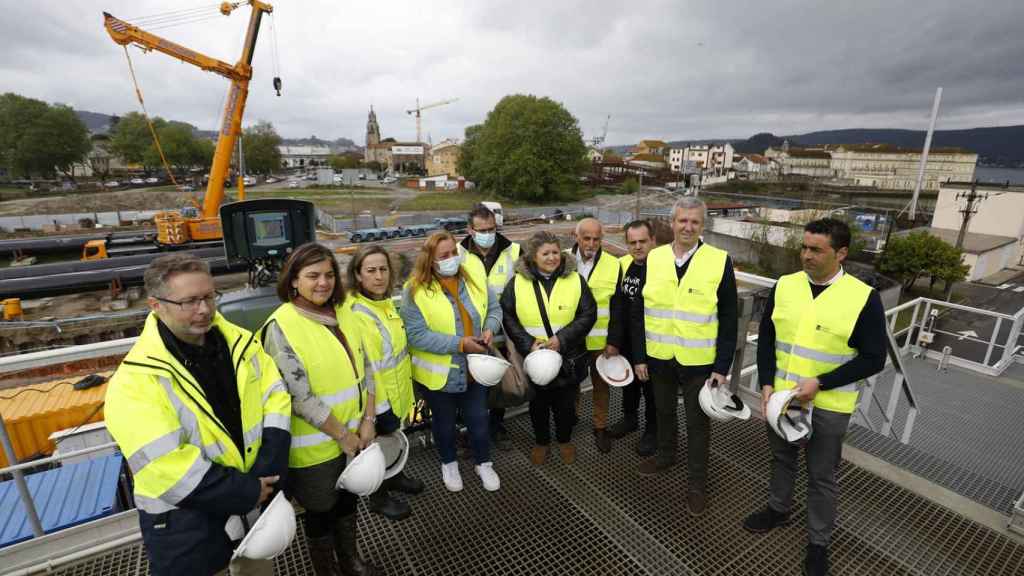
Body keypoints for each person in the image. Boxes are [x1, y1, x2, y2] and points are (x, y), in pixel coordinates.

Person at [105, 253, 291, 576]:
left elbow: (275, 396)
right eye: (189, 301)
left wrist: (268, 467)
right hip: (184, 522)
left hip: (252, 499)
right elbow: (166, 465)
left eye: (208, 297)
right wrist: (245, 491)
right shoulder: (135, 381)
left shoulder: (241, 344)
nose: (204, 310)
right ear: (155, 305)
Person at [743, 218, 886, 576]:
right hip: (783, 400)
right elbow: (768, 339)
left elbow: (873, 358)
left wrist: (820, 382)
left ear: (840, 253)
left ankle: (818, 544)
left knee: (822, 476)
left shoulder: (863, 298)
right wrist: (765, 384)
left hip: (828, 406)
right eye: (804, 247)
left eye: (815, 249)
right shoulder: (785, 286)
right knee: (781, 459)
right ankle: (778, 510)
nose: (806, 255)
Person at [261, 243, 379, 576]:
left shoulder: (343, 313)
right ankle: (327, 570)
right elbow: (299, 396)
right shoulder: (280, 326)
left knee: (348, 501)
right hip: (315, 450)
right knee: (321, 512)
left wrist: (368, 420)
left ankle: (351, 562)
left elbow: (367, 368)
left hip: (355, 436)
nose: (323, 283)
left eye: (329, 275)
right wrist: (343, 435)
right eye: (312, 276)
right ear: (293, 281)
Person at [638, 197, 738, 518]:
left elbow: (729, 318)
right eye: (682, 220)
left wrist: (722, 367)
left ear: (702, 225)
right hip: (659, 355)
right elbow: (643, 310)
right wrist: (641, 355)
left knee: (698, 425)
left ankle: (697, 483)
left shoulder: (719, 260)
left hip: (699, 362)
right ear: (672, 222)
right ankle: (666, 455)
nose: (687, 227)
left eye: (694, 222)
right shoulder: (653, 258)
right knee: (663, 411)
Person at [401, 230, 503, 492]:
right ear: (430, 260)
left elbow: (493, 308)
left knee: (479, 421)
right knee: (444, 426)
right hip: (440, 376)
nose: (451, 259)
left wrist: (490, 327)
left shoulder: (474, 279)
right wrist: (459, 344)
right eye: (443, 255)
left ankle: (484, 462)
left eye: (453, 253)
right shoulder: (414, 290)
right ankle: (449, 462)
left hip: (475, 369)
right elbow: (416, 335)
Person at [342, 245, 425, 522]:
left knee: (394, 442)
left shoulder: (384, 303)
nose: (379, 277)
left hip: (398, 391)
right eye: (371, 271)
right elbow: (370, 368)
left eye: (383, 270)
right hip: (378, 401)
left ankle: (395, 477)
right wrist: (380, 410)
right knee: (376, 449)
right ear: (358, 274)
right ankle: (378, 498)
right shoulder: (357, 313)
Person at [501, 231, 597, 465]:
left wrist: (562, 339)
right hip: (535, 358)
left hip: (568, 357)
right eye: (546, 253)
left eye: (556, 252)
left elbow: (588, 313)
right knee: (539, 405)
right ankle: (542, 442)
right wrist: (527, 343)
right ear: (533, 256)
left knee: (565, 406)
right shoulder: (517, 283)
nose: (552, 258)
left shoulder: (575, 279)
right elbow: (508, 316)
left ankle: (564, 440)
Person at [459, 203, 521, 451]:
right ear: (470, 230)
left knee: (499, 386)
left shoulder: (514, 251)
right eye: (482, 229)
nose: (487, 233)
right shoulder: (457, 254)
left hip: (503, 333)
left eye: (491, 228)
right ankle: (468, 433)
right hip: (470, 335)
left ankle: (497, 427)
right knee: (470, 387)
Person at [569, 217, 622, 453]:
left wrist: (613, 341)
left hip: (600, 341)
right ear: (576, 236)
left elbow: (619, 307)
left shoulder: (613, 264)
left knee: (601, 386)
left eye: (596, 239)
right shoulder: (561, 260)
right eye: (586, 238)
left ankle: (600, 427)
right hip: (571, 339)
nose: (591, 243)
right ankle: (570, 420)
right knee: (571, 383)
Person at [605, 219, 658, 457]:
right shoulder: (624, 265)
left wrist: (641, 355)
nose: (638, 247)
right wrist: (615, 341)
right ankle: (630, 418)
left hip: (650, 343)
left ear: (653, 241)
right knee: (629, 384)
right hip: (627, 340)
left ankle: (653, 431)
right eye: (632, 242)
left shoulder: (661, 269)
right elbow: (619, 305)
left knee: (651, 390)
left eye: (642, 241)